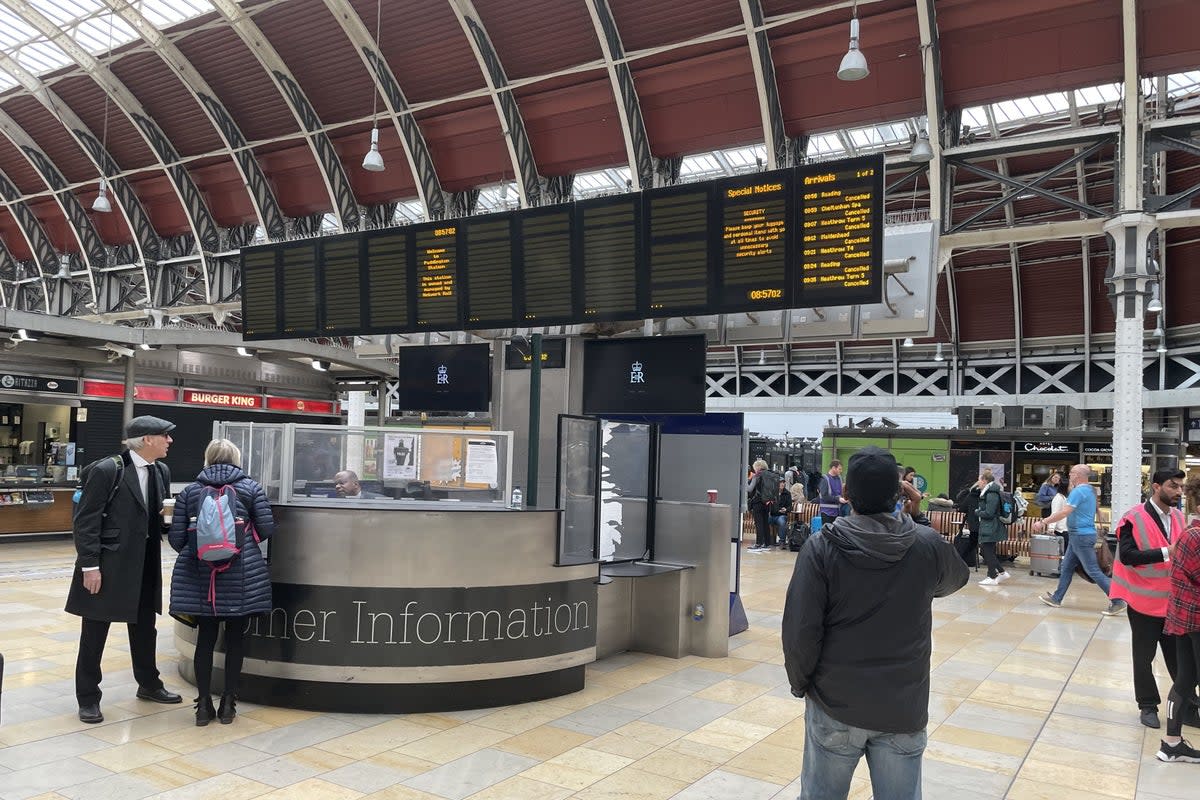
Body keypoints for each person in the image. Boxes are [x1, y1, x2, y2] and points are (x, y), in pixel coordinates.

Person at [783, 446, 969, 799]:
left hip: (835, 700)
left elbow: (800, 631)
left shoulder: (821, 547)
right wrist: (920, 519)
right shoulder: (925, 543)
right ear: (899, 493)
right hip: (903, 705)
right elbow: (953, 580)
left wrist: (801, 684)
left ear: (847, 494)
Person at [65, 415, 183, 724]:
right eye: (164, 436)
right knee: (94, 632)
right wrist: (90, 566)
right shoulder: (108, 470)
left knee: (145, 627)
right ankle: (88, 697)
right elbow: (86, 522)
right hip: (107, 565)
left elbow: (157, 517)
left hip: (144, 565)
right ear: (146, 440)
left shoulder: (161, 471)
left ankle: (149, 683)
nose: (169, 441)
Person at [169, 439, 276, 726]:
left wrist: (202, 549)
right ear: (236, 459)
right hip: (242, 573)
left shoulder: (190, 492)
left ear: (208, 458)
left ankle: (203, 705)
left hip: (202, 576)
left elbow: (177, 539)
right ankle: (228, 704)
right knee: (235, 640)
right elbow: (267, 528)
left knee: (205, 640)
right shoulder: (251, 488)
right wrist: (243, 544)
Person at [1112, 469, 1186, 729]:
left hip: (1174, 602)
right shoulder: (1133, 518)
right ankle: (1147, 705)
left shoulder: (1180, 517)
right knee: (1144, 657)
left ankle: (1186, 705)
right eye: (1173, 486)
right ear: (1156, 487)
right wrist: (1169, 551)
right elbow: (1129, 556)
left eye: (1180, 487)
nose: (1178, 491)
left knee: (1179, 658)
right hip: (1143, 602)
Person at [1035, 463, 1127, 615]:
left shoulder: (1079, 491)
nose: (1069, 475)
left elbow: (1064, 512)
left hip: (1080, 536)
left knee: (1093, 570)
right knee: (1066, 566)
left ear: (1077, 475)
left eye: (1071, 473)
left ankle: (1117, 600)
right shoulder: (1090, 490)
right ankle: (1057, 598)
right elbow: (1097, 511)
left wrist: (1043, 522)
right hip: (1079, 535)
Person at [1158, 475, 1200, 762]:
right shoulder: (1196, 536)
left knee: (1186, 678)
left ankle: (1171, 743)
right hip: (1196, 617)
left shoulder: (1188, 532)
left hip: (1185, 616)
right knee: (1187, 678)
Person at [976, 469, 1012, 586]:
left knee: (987, 551)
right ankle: (1001, 572)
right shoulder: (989, 492)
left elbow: (989, 512)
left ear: (985, 481)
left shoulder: (991, 494)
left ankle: (992, 576)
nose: (978, 482)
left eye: (979, 480)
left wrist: (978, 512)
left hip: (990, 526)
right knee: (988, 551)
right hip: (989, 526)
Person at [954, 477, 984, 567]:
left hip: (973, 524)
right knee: (986, 545)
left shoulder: (970, 496)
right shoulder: (986, 497)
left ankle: (960, 560)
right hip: (986, 524)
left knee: (972, 543)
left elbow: (962, 509)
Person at [745, 459, 774, 552]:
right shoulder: (770, 475)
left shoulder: (757, 476)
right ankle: (767, 543)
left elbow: (749, 489)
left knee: (759, 523)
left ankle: (758, 543)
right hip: (767, 502)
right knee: (765, 522)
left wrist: (745, 482)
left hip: (757, 502)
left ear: (757, 467)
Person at [817, 460, 847, 528]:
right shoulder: (824, 479)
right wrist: (838, 499)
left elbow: (841, 493)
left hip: (837, 513)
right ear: (833, 468)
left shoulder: (839, 479)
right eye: (839, 469)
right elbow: (824, 497)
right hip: (827, 513)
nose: (841, 471)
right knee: (827, 534)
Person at [771, 479, 791, 548]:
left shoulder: (787, 493)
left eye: (783, 483)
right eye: (780, 483)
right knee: (765, 519)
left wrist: (786, 509)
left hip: (782, 515)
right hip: (772, 514)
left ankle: (782, 541)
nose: (782, 484)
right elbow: (770, 506)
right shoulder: (773, 492)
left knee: (782, 521)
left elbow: (790, 507)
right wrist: (777, 510)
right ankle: (767, 540)